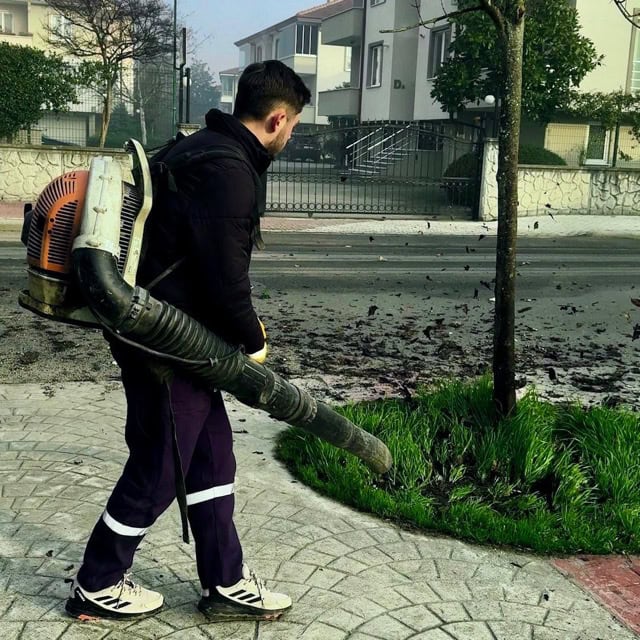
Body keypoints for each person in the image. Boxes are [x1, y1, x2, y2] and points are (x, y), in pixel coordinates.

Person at [65, 60, 311, 622]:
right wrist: (253, 341)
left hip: (174, 338)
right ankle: (97, 582)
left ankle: (225, 582)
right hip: (167, 344)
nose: (291, 136)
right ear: (277, 119)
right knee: (158, 467)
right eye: (293, 125)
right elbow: (224, 281)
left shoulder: (201, 146)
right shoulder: (230, 171)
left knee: (212, 457)